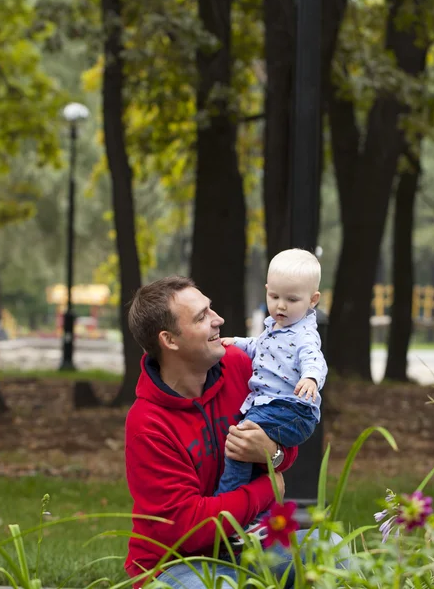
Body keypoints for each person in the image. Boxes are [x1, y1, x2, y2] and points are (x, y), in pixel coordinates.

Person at [124, 276, 346, 588]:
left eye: (210, 309)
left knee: (333, 549)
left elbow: (283, 429)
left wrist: (274, 453)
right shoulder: (147, 424)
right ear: (169, 340)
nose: (218, 320)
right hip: (179, 564)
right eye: (202, 317)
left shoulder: (240, 366)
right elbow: (189, 528)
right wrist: (269, 487)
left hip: (252, 546)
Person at [214, 249, 327, 538]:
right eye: (275, 297)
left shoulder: (303, 333)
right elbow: (259, 348)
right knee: (253, 458)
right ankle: (259, 523)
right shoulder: (275, 328)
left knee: (240, 443)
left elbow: (314, 358)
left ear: (312, 300)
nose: (281, 306)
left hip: (291, 409)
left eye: (292, 300)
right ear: (267, 291)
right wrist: (235, 341)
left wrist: (311, 378)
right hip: (273, 407)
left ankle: (228, 513)